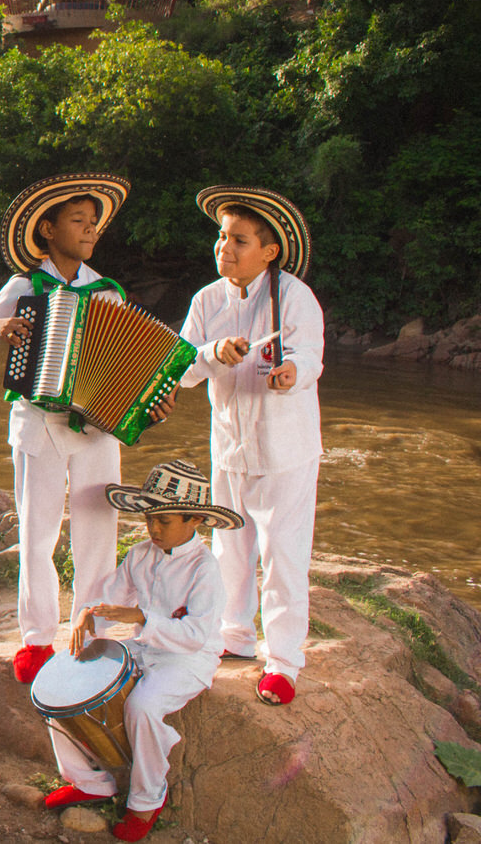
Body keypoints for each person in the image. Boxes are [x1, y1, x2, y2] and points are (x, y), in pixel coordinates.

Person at [0, 173, 131, 686]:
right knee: (38, 534)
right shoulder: (24, 286)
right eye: (78, 221)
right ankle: (37, 640)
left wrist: (145, 398)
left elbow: (126, 365)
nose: (89, 230)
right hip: (37, 423)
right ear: (48, 229)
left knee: (98, 533)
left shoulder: (107, 292)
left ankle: (92, 633)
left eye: (94, 223)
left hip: (96, 429)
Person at [42, 459, 242, 842]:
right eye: (150, 517)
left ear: (195, 520)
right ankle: (88, 781)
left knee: (143, 706)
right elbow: (111, 598)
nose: (152, 528)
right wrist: (89, 614)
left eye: (164, 521)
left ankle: (148, 799)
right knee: (60, 686)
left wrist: (140, 616)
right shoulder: (140, 554)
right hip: (144, 649)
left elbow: (196, 635)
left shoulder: (205, 569)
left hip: (189, 659)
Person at [177, 186, 323, 706]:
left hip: (285, 449)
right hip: (229, 448)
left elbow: (311, 355)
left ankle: (283, 661)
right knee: (229, 549)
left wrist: (291, 372)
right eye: (221, 237)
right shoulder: (207, 300)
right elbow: (183, 370)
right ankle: (234, 635)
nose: (225, 248)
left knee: (283, 557)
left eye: (239, 240)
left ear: (269, 251)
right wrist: (213, 352)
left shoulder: (295, 297)